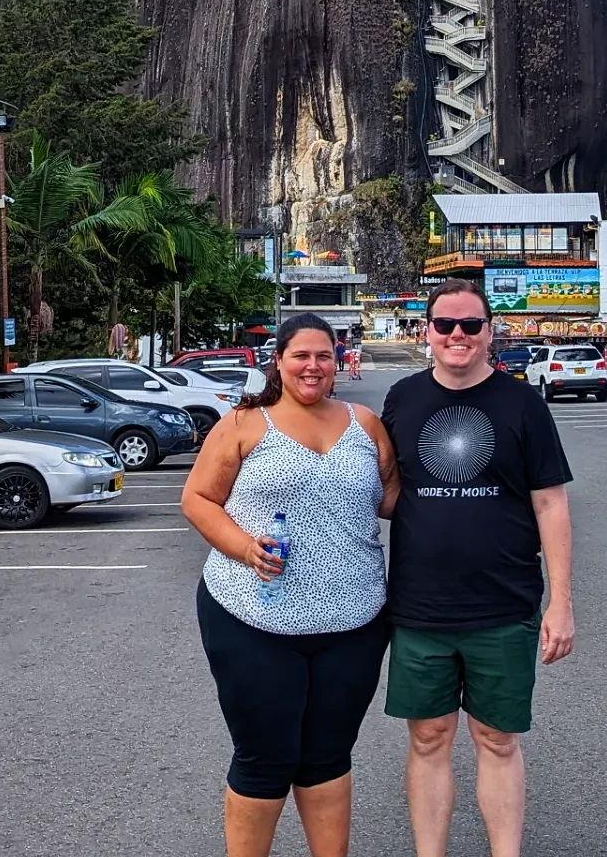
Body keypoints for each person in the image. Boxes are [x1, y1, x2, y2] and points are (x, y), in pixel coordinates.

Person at [183, 313, 397, 857]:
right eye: (301, 355)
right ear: (278, 361)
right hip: (251, 616)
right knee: (265, 753)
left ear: (338, 361)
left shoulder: (366, 423)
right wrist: (243, 546)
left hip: (354, 622)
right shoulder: (243, 424)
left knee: (328, 753)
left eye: (324, 355)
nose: (313, 365)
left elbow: (395, 498)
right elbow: (198, 500)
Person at [382, 278, 574, 857]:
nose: (457, 335)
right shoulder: (402, 399)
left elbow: (550, 503)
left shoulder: (523, 405)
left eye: (470, 324)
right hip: (420, 605)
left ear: (490, 331)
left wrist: (560, 600)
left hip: (503, 602)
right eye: (445, 324)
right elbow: (381, 490)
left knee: (497, 738)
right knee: (429, 737)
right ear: (427, 332)